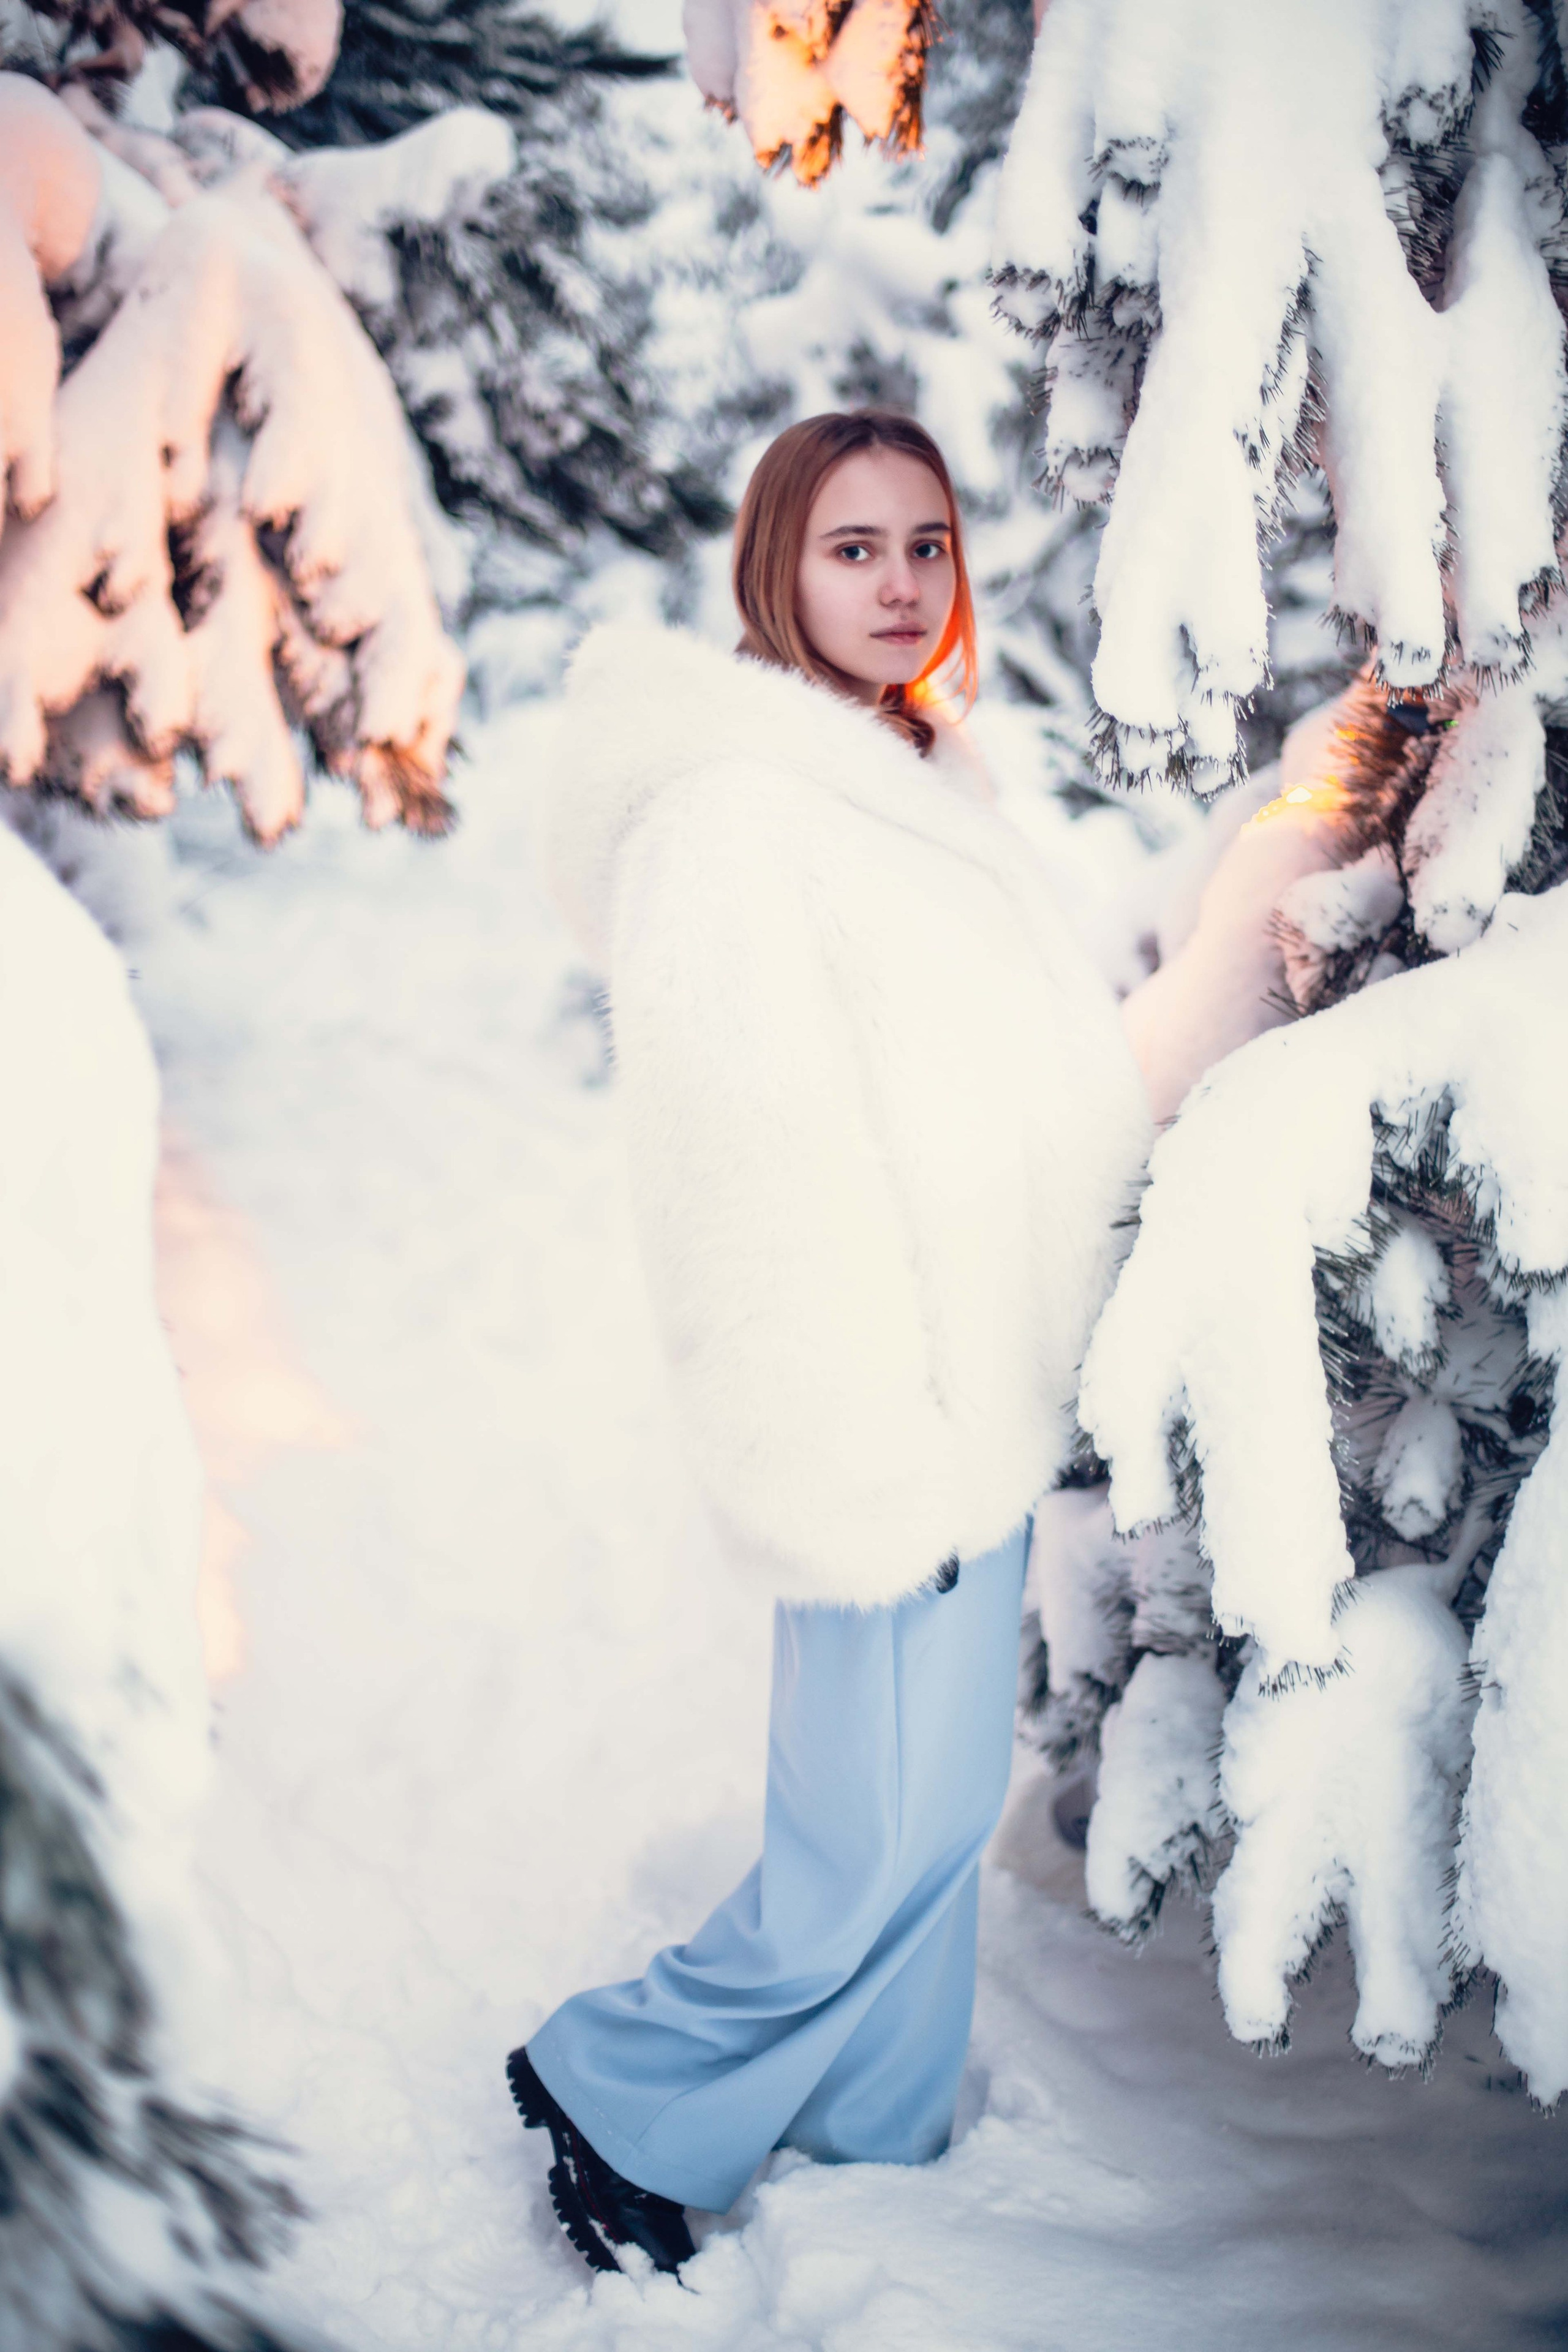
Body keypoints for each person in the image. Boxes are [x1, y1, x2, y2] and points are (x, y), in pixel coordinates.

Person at [508, 410, 1150, 2275]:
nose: (897, 586)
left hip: (986, 1371)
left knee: (941, 1817)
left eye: (926, 547)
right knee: (859, 1839)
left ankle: (873, 2146)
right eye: (852, 549)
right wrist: (847, 1429)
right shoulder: (737, 809)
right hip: (874, 1398)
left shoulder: (929, 772)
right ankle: (614, 2082)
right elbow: (743, 1157)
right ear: (774, 566)